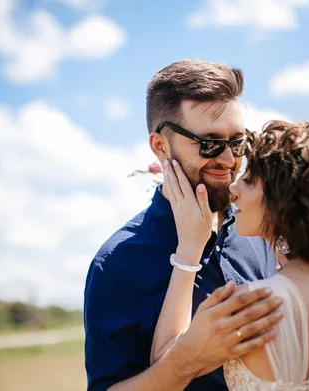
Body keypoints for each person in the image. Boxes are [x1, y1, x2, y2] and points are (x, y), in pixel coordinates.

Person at [84, 59, 280, 391]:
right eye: (210, 143)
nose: (230, 160)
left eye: (238, 143)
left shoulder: (260, 235)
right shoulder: (117, 262)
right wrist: (187, 359)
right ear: (161, 146)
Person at [156, 119, 309, 390]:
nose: (234, 189)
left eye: (249, 180)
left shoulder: (253, 305)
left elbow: (168, 362)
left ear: (281, 199)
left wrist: (189, 251)